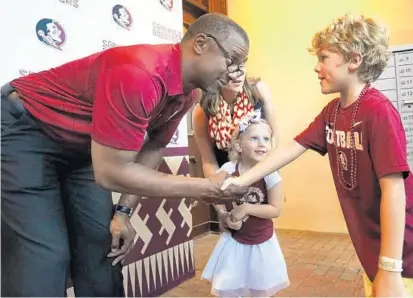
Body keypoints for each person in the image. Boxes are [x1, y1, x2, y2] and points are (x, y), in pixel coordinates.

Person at [1, 13, 249, 297]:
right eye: (232, 59)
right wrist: (203, 188)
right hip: (27, 129)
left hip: (82, 147)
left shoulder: (188, 94)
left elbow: (154, 147)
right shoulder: (139, 71)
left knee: (105, 242)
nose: (235, 72)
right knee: (43, 257)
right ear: (202, 44)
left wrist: (123, 211)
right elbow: (110, 173)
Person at [221, 13, 413, 297]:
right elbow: (292, 148)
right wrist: (242, 179)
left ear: (354, 60)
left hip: (402, 252)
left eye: (324, 57)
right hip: (372, 246)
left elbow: (395, 190)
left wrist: (389, 267)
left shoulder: (378, 110)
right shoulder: (332, 112)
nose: (316, 67)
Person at [201, 113, 289, 297]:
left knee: (259, 288)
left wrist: (246, 208)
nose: (262, 143)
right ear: (239, 146)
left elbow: (275, 209)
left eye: (266, 138)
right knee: (229, 287)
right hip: (234, 242)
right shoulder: (227, 170)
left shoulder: (270, 174)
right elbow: (216, 197)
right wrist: (224, 214)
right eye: (254, 138)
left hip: (262, 242)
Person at [192, 69, 278, 230]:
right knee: (233, 230)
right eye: (229, 67)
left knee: (259, 228)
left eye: (242, 64)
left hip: (260, 174)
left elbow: (273, 141)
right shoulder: (202, 109)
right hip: (227, 178)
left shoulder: (258, 91)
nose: (238, 73)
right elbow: (209, 160)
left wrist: (271, 181)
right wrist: (220, 203)